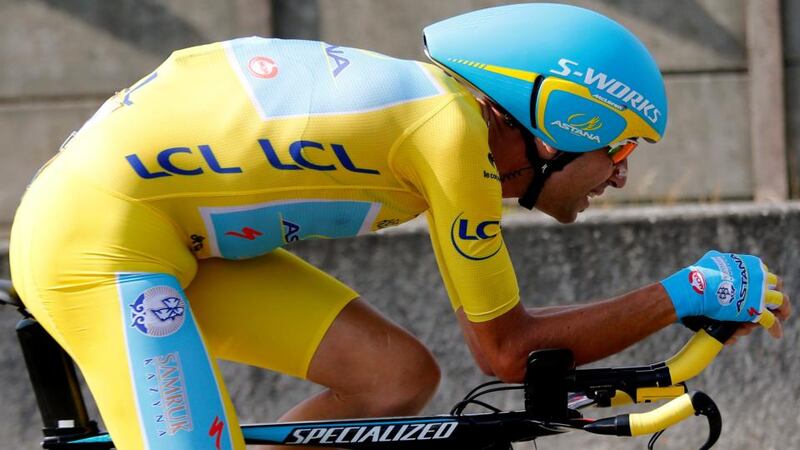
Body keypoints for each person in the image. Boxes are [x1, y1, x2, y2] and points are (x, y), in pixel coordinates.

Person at [9, 3, 790, 450]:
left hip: (177, 234)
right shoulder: (449, 136)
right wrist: (688, 289)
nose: (620, 174)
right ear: (559, 122)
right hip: (98, 243)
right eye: (618, 149)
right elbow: (508, 352)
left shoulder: (437, 118)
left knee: (394, 380)